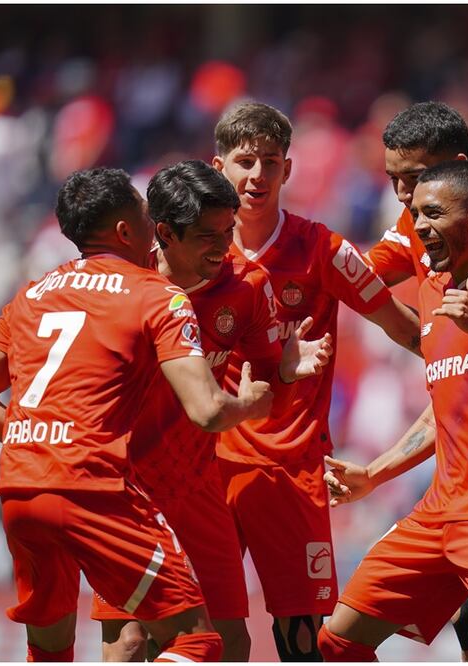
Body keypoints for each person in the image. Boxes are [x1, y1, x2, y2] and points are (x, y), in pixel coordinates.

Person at [0, 167, 273, 662]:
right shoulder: (157, 295)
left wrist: (42, 437)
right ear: (126, 230)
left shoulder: (33, 293)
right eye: (146, 213)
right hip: (96, 488)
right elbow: (208, 411)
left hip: (20, 491)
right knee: (198, 642)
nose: (154, 222)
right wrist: (251, 402)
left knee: (50, 650)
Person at [88, 160, 333, 661]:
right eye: (207, 236)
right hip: (129, 491)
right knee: (129, 643)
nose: (224, 248)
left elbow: (264, 398)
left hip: (200, 489)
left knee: (229, 643)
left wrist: (285, 374)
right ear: (163, 233)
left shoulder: (248, 285)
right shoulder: (123, 286)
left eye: (228, 232)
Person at [318, 160, 468, 662]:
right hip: (436, 513)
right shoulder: (431, 291)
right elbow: (444, 406)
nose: (419, 225)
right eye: (413, 214)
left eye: (431, 213)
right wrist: (375, 473)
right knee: (338, 641)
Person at [210, 101, 421, 661]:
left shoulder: (324, 249)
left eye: (271, 162)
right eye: (244, 161)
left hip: (291, 471)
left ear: (288, 169)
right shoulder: (195, 255)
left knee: (302, 642)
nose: (257, 175)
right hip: (207, 469)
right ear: (218, 167)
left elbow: (404, 327)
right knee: (204, 635)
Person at [365, 101, 468, 286]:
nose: (401, 194)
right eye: (393, 178)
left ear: (458, 165)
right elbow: (356, 277)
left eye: (415, 177)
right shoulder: (414, 222)